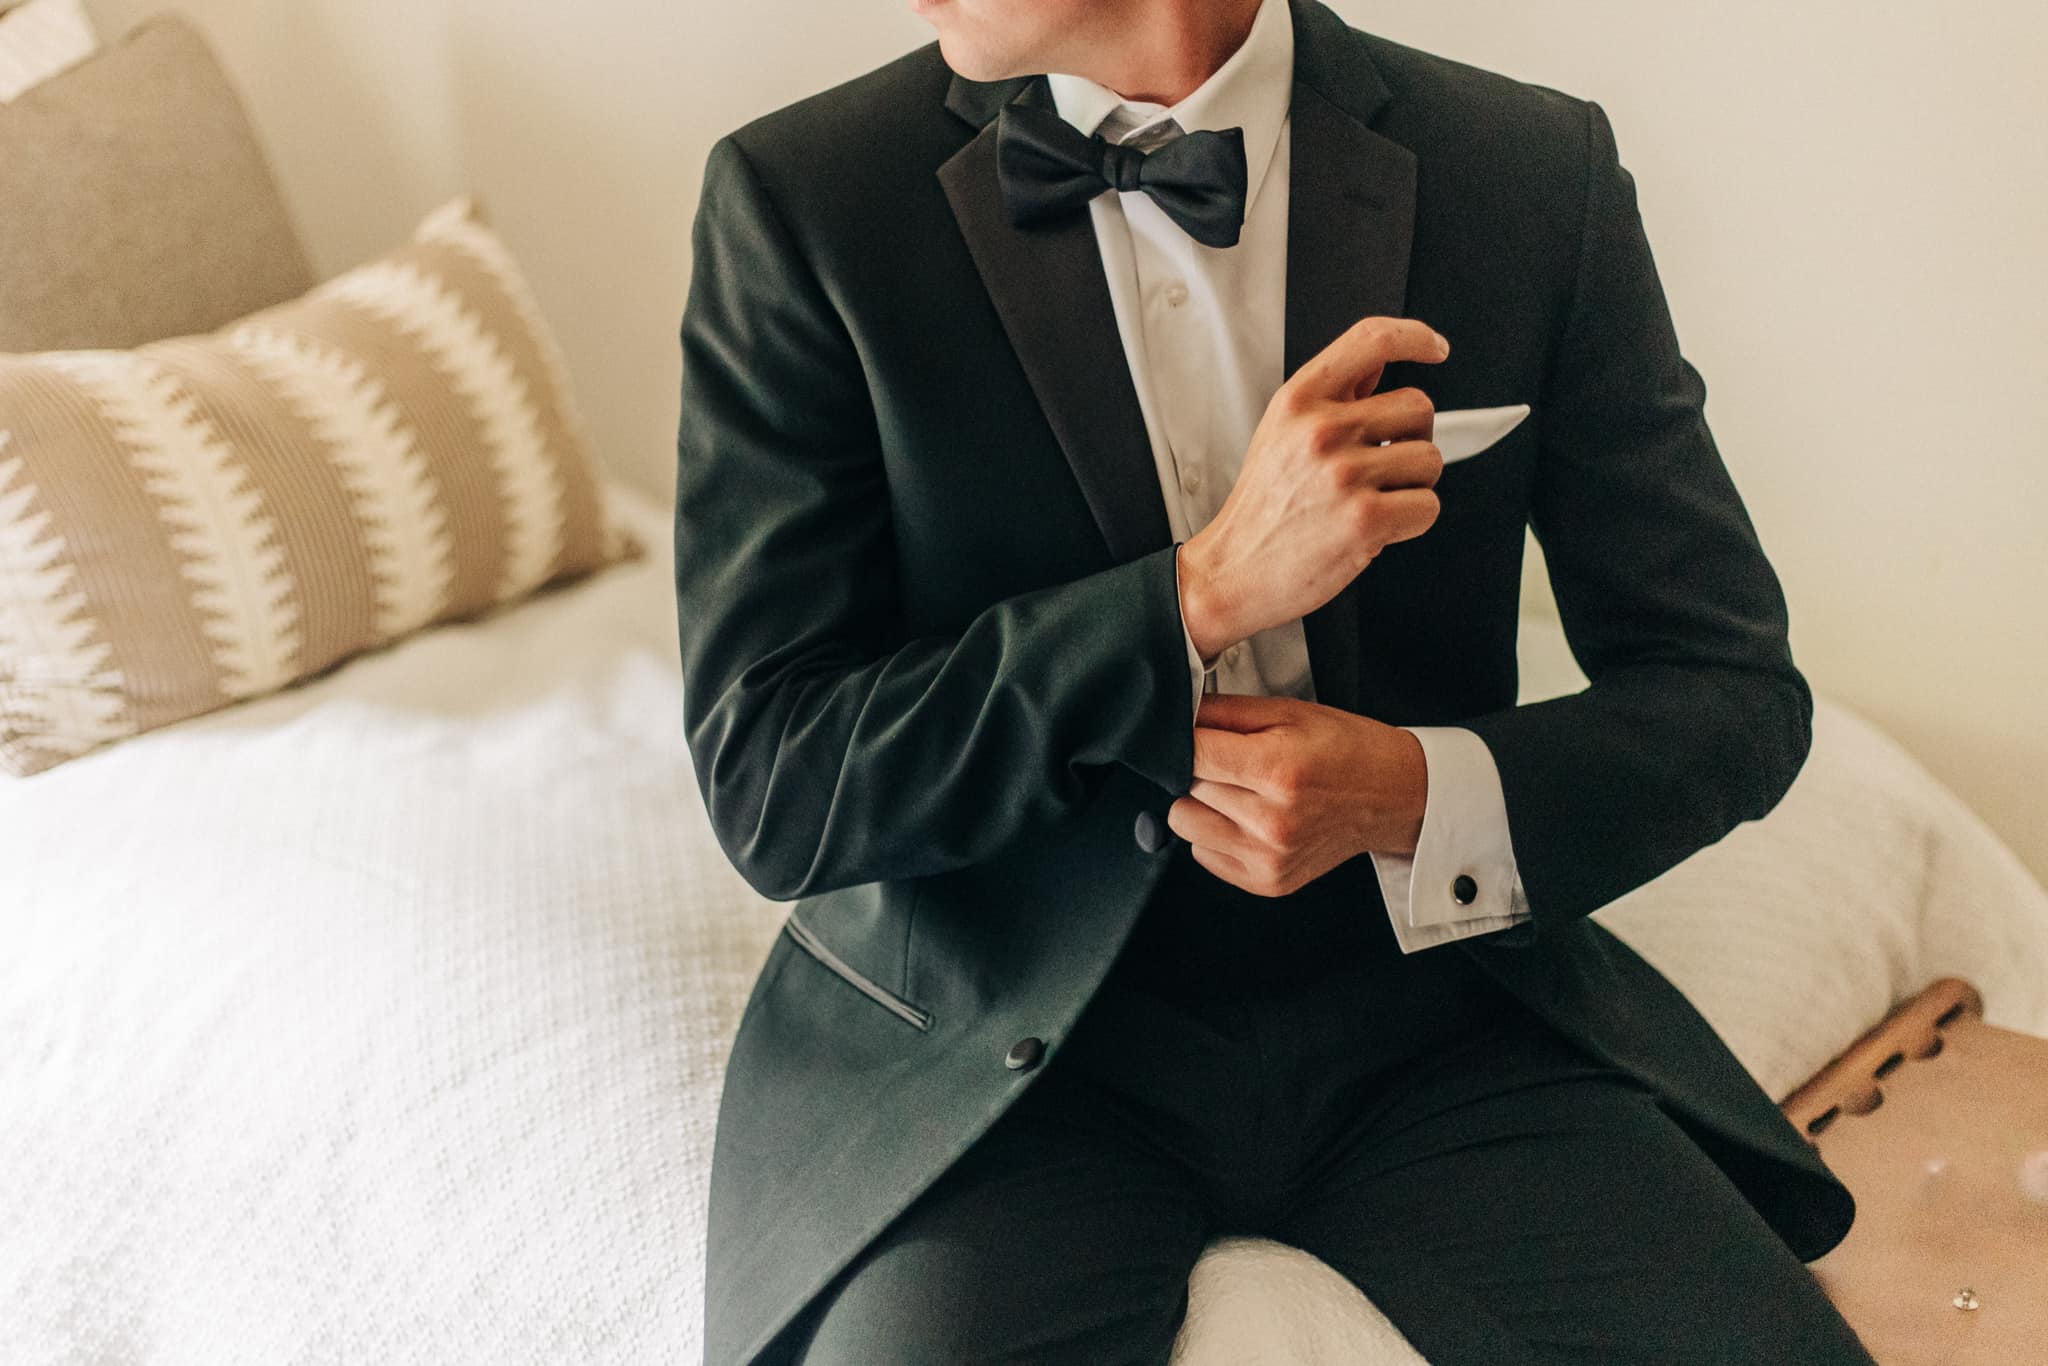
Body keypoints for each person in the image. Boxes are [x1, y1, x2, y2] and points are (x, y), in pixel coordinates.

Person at [672, 0, 1880, 1361]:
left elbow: (1730, 688)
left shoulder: (1530, 173)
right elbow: (773, 774)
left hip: (1434, 1020)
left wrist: (1414, 794)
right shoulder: (802, 202)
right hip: (1012, 1053)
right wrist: (1197, 595)